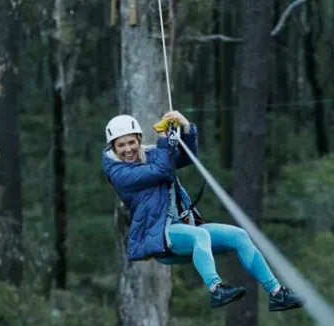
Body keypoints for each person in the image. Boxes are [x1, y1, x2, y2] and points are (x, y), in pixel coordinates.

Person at [101, 110, 303, 312]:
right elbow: (162, 170)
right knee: (201, 235)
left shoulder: (152, 154)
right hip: (160, 236)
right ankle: (216, 289)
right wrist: (165, 142)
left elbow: (186, 158)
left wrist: (186, 128)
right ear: (113, 147)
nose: (128, 149)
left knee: (239, 236)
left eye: (131, 142)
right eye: (121, 145)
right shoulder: (119, 173)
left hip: (182, 227)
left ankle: (276, 293)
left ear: (139, 140)